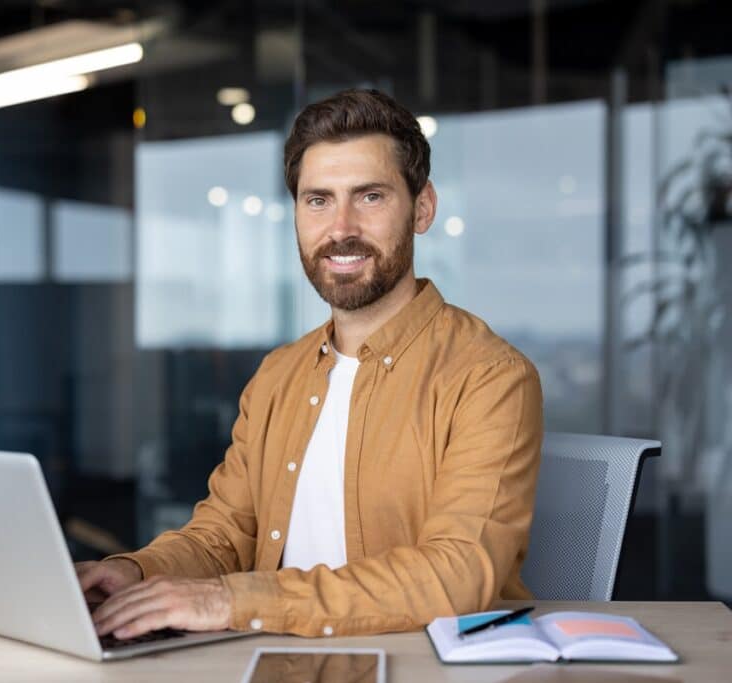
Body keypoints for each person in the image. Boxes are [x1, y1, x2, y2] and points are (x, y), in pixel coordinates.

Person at [78, 88, 544, 639]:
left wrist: (231, 601)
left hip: (418, 667)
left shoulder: (488, 378)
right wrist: (132, 572)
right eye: (317, 200)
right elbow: (223, 536)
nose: (340, 227)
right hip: (276, 659)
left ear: (422, 208)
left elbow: (456, 576)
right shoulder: (280, 374)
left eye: (369, 197)